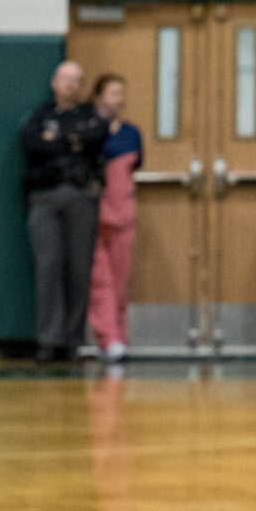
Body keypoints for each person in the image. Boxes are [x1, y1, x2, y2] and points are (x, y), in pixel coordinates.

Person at [20, 61, 108, 361]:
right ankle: (49, 339)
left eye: (76, 80)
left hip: (81, 196)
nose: (70, 85)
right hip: (45, 196)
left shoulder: (89, 116)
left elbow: (96, 138)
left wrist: (57, 138)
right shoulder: (40, 115)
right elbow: (31, 143)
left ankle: (73, 340)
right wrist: (71, 141)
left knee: (79, 268)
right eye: (65, 79)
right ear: (54, 83)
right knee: (49, 266)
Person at [86, 74, 142, 363]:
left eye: (122, 93)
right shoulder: (89, 129)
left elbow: (136, 165)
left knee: (120, 280)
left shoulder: (132, 133)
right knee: (100, 280)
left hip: (123, 212)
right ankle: (107, 337)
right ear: (99, 98)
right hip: (95, 211)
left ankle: (121, 335)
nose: (120, 99)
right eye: (113, 93)